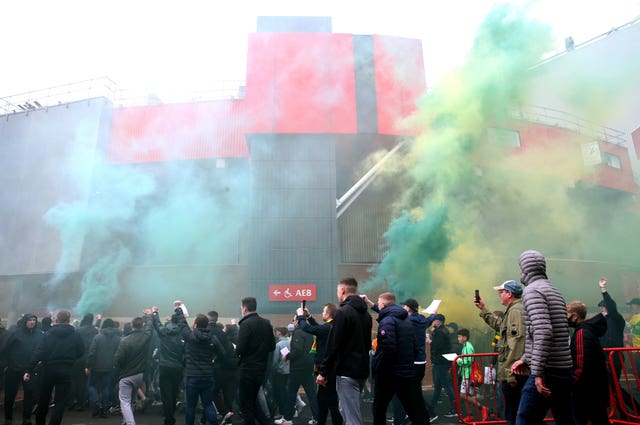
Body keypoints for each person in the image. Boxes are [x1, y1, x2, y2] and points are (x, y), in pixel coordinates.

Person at [511, 250, 577, 425]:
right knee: (565, 420)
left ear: (526, 268)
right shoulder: (554, 290)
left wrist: (538, 373)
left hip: (547, 370)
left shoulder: (532, 291)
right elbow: (549, 330)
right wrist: (526, 358)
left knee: (525, 419)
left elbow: (543, 331)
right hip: (563, 369)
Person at [316, 277, 372, 425]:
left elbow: (333, 344)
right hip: (361, 370)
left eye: (337, 290)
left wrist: (323, 372)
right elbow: (367, 345)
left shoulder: (343, 312)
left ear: (342, 290)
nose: (337, 293)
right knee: (344, 410)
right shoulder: (366, 315)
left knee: (351, 417)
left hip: (347, 372)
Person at [368, 292, 429, 425]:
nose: (378, 305)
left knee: (379, 408)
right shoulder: (406, 320)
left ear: (383, 305)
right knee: (414, 409)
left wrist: (378, 366)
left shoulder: (387, 321)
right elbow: (414, 346)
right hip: (406, 371)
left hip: (390, 374)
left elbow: (388, 348)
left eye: (378, 303)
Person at [474, 279, 528, 425]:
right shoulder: (513, 310)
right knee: (516, 413)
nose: (499, 295)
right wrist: (483, 309)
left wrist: (510, 374)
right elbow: (500, 326)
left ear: (509, 293)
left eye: (501, 292)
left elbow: (518, 343)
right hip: (515, 373)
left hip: (515, 375)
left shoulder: (516, 311)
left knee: (514, 414)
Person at [24, 310, 85, 425]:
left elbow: (39, 352)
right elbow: (81, 351)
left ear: (56, 320)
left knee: (44, 399)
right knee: (60, 402)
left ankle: (40, 422)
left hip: (48, 369)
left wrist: (29, 368)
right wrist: (71, 358)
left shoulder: (48, 334)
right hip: (66, 369)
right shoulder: (75, 334)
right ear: (69, 320)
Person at [175, 308, 223, 425]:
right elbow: (222, 353)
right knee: (208, 404)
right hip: (207, 376)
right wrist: (213, 360)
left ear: (195, 324)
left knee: (190, 406)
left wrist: (178, 310)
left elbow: (182, 324)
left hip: (192, 376)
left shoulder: (190, 336)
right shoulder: (213, 338)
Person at [566, 301, 610, 425]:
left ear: (574, 316)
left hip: (587, 390)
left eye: (567, 314)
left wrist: (572, 382)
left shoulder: (581, 333)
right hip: (595, 387)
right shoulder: (587, 330)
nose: (565, 318)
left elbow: (581, 363)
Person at [297, 303, 343, 425]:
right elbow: (318, 329)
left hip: (327, 371)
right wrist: (308, 317)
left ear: (328, 314)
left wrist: (301, 316)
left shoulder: (328, 327)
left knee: (331, 402)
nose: (322, 313)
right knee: (323, 401)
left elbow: (308, 329)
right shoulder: (331, 327)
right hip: (328, 369)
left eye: (323, 311)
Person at [236, 297, 276, 425]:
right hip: (262, 369)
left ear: (244, 308)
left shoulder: (245, 324)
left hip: (247, 369)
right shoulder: (266, 323)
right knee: (253, 403)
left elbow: (240, 348)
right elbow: (272, 346)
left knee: (245, 405)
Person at [1, 313, 44, 425]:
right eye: (30, 320)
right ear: (25, 321)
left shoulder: (39, 334)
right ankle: (8, 419)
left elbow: (42, 350)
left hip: (29, 370)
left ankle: (26, 419)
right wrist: (6, 365)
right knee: (10, 395)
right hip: (13, 369)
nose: (32, 322)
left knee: (29, 395)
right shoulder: (14, 333)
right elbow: (4, 349)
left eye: (34, 320)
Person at [275, 315, 318, 425]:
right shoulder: (309, 332)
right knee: (312, 394)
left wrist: (288, 356)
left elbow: (298, 350)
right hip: (308, 367)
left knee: (291, 393)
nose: (293, 322)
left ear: (298, 322)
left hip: (298, 368)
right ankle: (317, 418)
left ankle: (287, 418)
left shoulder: (298, 332)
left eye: (294, 320)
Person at [114, 312, 153, 425]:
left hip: (126, 375)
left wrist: (119, 366)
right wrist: (150, 315)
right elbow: (150, 327)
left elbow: (118, 359)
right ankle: (126, 422)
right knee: (131, 400)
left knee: (125, 402)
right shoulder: (146, 337)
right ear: (142, 326)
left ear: (132, 326)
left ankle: (130, 423)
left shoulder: (124, 340)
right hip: (139, 375)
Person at [151, 308, 185, 425]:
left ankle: (169, 419)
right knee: (175, 393)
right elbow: (183, 322)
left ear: (170, 322)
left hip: (164, 367)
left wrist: (155, 312)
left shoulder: (163, 333)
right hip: (177, 368)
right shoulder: (182, 333)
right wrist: (179, 311)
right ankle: (171, 415)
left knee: (166, 395)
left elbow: (157, 323)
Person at [86, 318, 121, 418]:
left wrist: (88, 366)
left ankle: (97, 403)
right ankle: (104, 410)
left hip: (96, 367)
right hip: (110, 367)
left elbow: (92, 353)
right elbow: (118, 353)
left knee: (90, 386)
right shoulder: (117, 338)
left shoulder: (97, 337)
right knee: (106, 388)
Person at [427, 314, 456, 418]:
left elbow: (438, 346)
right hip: (441, 362)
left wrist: (430, 341)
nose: (433, 322)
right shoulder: (442, 331)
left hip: (440, 362)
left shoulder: (440, 332)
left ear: (438, 321)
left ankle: (455, 409)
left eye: (434, 320)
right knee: (438, 387)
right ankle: (431, 407)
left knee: (446, 386)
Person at [70, 313, 98, 411]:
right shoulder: (95, 330)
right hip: (90, 359)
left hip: (78, 358)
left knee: (75, 381)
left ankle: (75, 400)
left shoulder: (78, 330)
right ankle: (84, 401)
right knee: (86, 381)